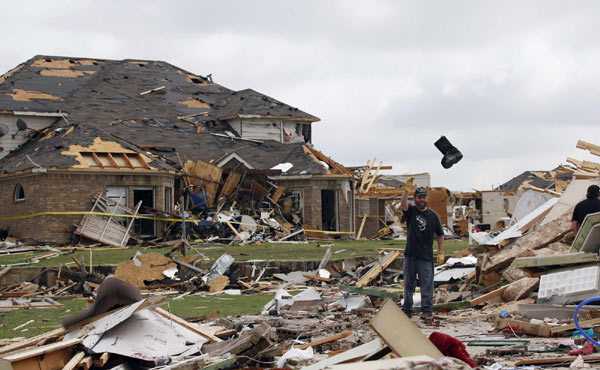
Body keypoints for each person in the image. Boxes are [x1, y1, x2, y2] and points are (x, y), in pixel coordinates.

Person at [401, 185, 444, 319]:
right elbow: (403, 204)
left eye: (423, 197)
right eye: (419, 197)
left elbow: (440, 234)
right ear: (414, 199)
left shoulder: (433, 216)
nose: (421, 200)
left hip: (426, 256)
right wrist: (406, 190)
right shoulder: (411, 212)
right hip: (411, 255)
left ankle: (427, 311)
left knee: (427, 284)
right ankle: (407, 309)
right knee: (408, 284)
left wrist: (441, 251)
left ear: (427, 199)